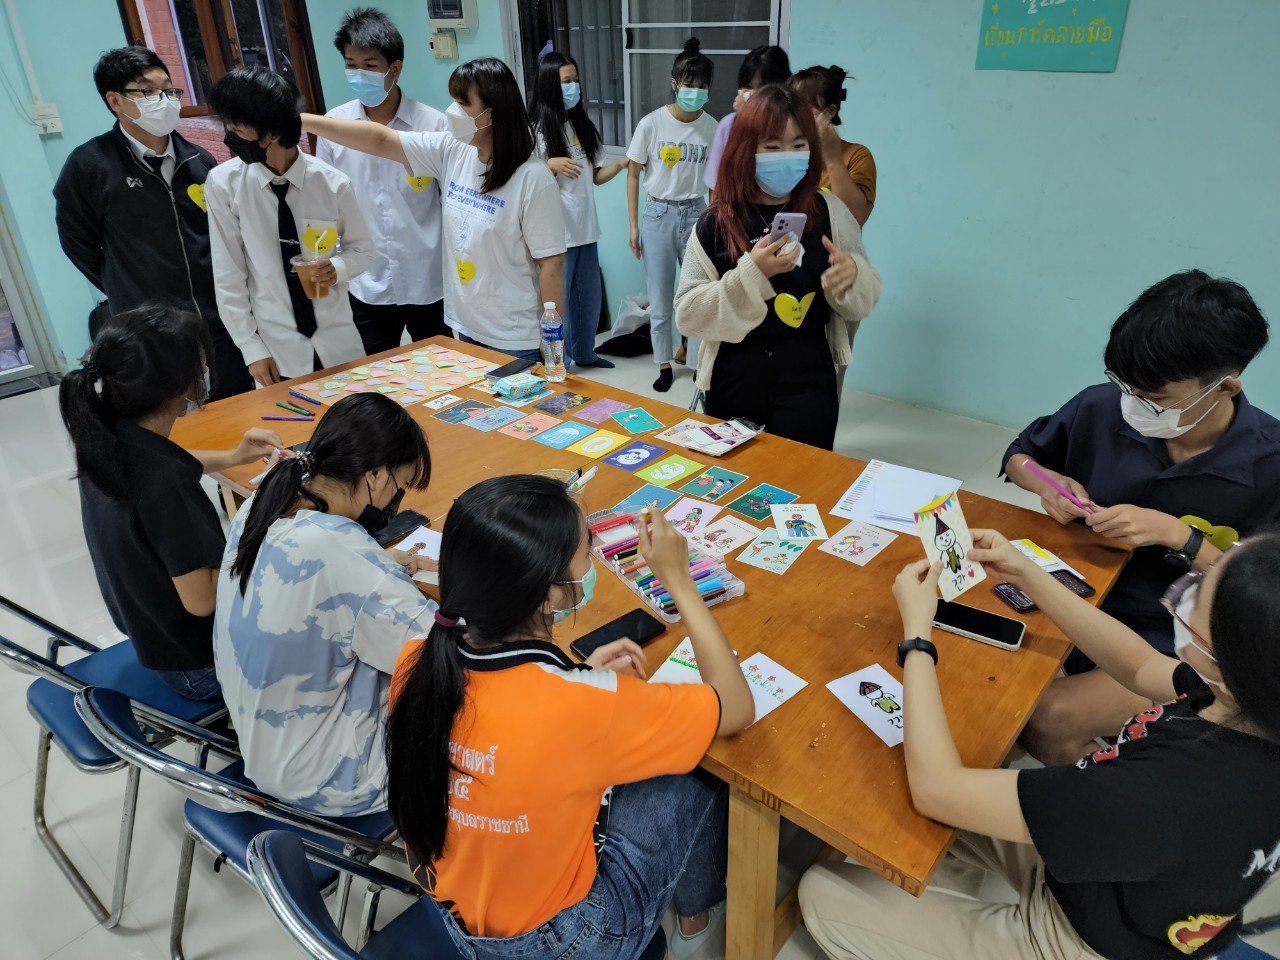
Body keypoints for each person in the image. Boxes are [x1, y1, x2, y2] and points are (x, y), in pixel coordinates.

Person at [801, 528, 1280, 960]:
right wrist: (1027, 573)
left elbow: (937, 789)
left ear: (1226, 659)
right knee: (943, 770)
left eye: (1194, 604)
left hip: (1082, 941)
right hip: (1109, 877)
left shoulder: (1168, 792)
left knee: (823, 891)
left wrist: (917, 637)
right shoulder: (1250, 699)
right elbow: (1139, 665)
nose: (1182, 601)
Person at [386, 479, 755, 959]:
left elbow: (515, 727)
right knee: (699, 767)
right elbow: (735, 706)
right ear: (550, 595)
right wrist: (680, 581)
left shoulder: (416, 661)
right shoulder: (582, 704)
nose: (593, 556)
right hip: (566, 941)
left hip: (458, 917)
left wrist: (576, 678)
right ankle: (697, 912)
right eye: (588, 548)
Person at [1003, 270, 1279, 764]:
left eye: (1156, 397)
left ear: (1224, 388)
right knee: (989, 684)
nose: (1133, 403)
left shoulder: (1271, 465)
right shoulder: (1102, 406)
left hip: (1181, 636)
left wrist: (1180, 537)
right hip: (1079, 590)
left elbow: (1264, 600)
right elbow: (1021, 457)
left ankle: (1121, 789)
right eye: (1126, 385)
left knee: (1046, 719)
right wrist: (1047, 484)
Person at [215, 392, 434, 815]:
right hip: (332, 778)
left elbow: (321, 574)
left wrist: (371, 564)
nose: (396, 499)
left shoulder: (264, 501)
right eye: (400, 485)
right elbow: (441, 656)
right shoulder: (343, 554)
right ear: (374, 475)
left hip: (263, 744)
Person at [59, 305, 285, 700]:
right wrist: (264, 524)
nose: (206, 368)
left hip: (151, 636)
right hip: (199, 666)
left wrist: (234, 456)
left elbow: (171, 463)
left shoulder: (105, 438)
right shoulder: (165, 484)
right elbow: (203, 600)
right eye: (201, 361)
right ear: (185, 385)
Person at [301, 58, 566, 362]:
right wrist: (302, 122)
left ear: (491, 114)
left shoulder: (533, 179)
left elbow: (551, 265)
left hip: (515, 336)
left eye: (462, 103)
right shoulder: (454, 150)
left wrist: (552, 340)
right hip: (467, 327)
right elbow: (380, 139)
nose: (452, 110)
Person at [674, 86, 881, 450]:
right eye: (772, 147)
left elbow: (865, 296)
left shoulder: (829, 211)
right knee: (738, 479)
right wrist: (751, 274)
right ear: (745, 149)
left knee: (804, 477)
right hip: (732, 382)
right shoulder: (716, 222)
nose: (788, 157)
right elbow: (688, 315)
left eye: (799, 145)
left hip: (809, 382)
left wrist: (853, 278)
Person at [54, 46, 253, 400]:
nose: (164, 100)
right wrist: (125, 284)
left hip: (218, 323)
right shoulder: (89, 166)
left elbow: (224, 237)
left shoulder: (200, 161)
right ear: (115, 101)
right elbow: (78, 244)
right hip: (149, 332)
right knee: (171, 421)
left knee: (235, 408)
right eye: (147, 91)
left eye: (168, 90)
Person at [205, 67, 374, 387]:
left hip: (338, 343)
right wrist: (250, 348)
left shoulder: (331, 183)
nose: (230, 136)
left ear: (271, 133)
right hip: (275, 350)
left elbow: (363, 249)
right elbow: (228, 274)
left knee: (354, 415)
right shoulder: (224, 184)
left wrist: (337, 267)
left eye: (237, 129)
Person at [317, 8, 449, 355]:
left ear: (395, 68)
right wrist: (331, 263)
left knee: (444, 370)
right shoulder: (334, 127)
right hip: (367, 281)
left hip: (429, 277)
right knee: (376, 376)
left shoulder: (433, 125)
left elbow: (450, 202)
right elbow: (326, 205)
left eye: (370, 66)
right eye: (351, 64)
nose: (359, 74)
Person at [626, 38, 718, 392]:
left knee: (696, 294)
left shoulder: (712, 127)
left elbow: (715, 183)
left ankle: (695, 363)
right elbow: (633, 174)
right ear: (675, 83)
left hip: (697, 213)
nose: (695, 91)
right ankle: (664, 363)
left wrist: (716, 223)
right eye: (689, 84)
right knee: (661, 297)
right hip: (658, 214)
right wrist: (633, 225)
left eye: (702, 85)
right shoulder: (651, 124)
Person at [528, 52, 628, 370]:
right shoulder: (536, 130)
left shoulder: (581, 125)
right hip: (557, 235)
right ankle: (559, 360)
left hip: (586, 230)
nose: (573, 87)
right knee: (558, 305)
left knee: (588, 299)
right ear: (549, 86)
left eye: (575, 80)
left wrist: (621, 164)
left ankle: (585, 353)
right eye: (565, 81)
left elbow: (595, 176)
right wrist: (549, 164)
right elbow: (523, 179)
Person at [787, 66, 876, 227]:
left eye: (805, 107)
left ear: (829, 112)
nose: (795, 116)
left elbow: (855, 219)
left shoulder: (856, 155)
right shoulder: (785, 153)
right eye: (791, 108)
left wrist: (833, 160)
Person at [703, 45, 792, 194]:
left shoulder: (794, 126)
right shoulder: (729, 124)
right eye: (748, 87)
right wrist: (743, 120)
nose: (754, 95)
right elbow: (716, 186)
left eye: (763, 87)